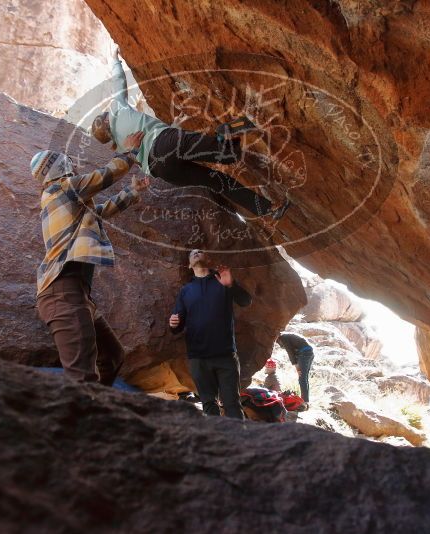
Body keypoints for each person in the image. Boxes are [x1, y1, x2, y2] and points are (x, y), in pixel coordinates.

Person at [91, 46, 290, 223]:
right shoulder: (117, 110)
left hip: (162, 171)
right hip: (164, 143)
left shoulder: (121, 146)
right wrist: (114, 59)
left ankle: (268, 208)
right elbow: (119, 84)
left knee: (217, 181)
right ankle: (230, 134)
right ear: (106, 120)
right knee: (222, 151)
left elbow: (132, 162)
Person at [32, 131, 149, 384]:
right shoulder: (62, 189)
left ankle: (99, 409)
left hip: (75, 294)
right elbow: (105, 176)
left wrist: (131, 192)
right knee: (82, 377)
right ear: (58, 167)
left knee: (112, 355)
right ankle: (87, 417)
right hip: (63, 294)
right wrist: (129, 152)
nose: (72, 165)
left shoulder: (60, 198)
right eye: (67, 163)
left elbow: (99, 212)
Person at [168, 249, 251, 419]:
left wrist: (231, 285)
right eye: (192, 253)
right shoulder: (186, 290)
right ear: (189, 265)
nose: (196, 252)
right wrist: (173, 323)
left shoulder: (222, 281)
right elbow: (177, 326)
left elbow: (246, 301)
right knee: (208, 406)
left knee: (232, 405)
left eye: (200, 251)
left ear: (209, 259)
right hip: (198, 358)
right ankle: (216, 444)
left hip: (226, 355)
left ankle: (239, 443)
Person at [277, 332, 315, 403]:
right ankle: (306, 400)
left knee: (302, 378)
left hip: (304, 353)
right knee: (304, 378)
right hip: (309, 352)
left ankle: (304, 402)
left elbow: (290, 352)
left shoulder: (283, 338)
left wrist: (296, 366)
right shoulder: (286, 336)